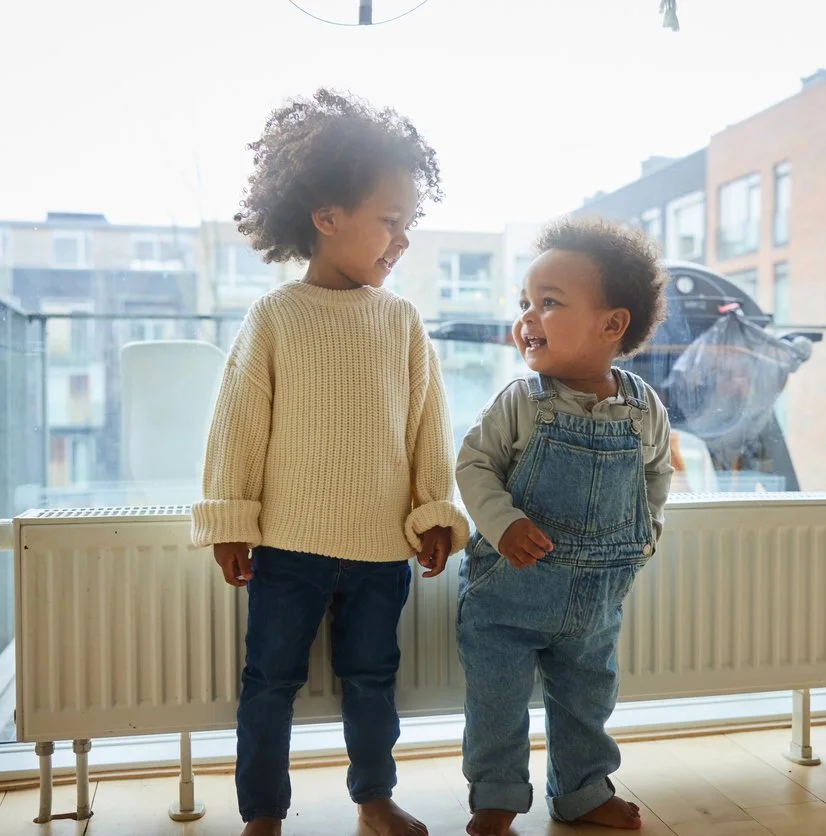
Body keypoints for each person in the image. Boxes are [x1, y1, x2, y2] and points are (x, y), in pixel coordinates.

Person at [190, 89, 469, 836]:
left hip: (383, 549)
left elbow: (426, 428)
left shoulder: (402, 321)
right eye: (389, 221)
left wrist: (435, 511)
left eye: (408, 225)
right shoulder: (276, 316)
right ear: (326, 216)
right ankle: (263, 816)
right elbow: (238, 426)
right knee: (269, 682)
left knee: (374, 680)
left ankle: (373, 800)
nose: (400, 240)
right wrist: (229, 518)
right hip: (288, 548)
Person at [455, 217, 674, 836]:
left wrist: (647, 531)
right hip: (507, 597)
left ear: (612, 324)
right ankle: (496, 796)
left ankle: (582, 792)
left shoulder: (643, 407)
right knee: (496, 703)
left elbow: (657, 473)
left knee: (587, 701)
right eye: (525, 303)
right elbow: (473, 465)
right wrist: (503, 523)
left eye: (548, 304)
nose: (528, 317)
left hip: (597, 600)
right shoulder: (521, 401)